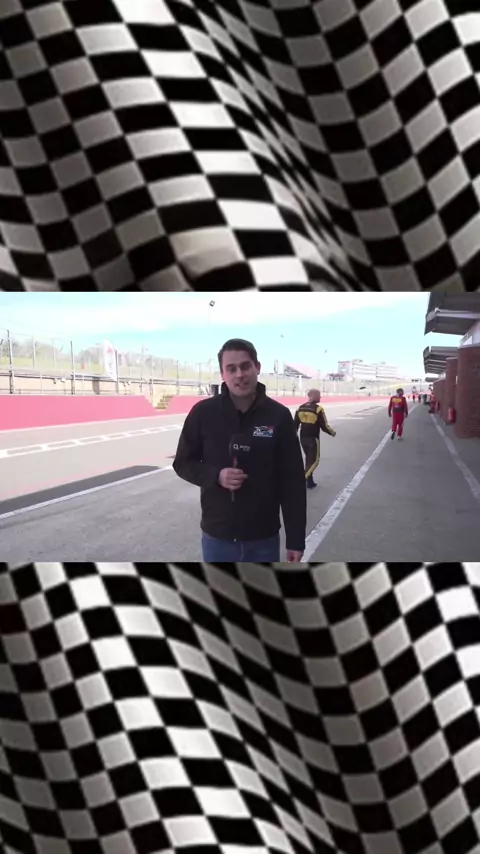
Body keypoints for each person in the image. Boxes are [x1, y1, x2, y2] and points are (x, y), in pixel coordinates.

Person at [173, 338, 306, 563]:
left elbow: (292, 480)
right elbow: (182, 463)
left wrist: (295, 539)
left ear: (257, 368)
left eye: (245, 366)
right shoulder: (203, 413)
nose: (239, 374)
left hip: (263, 538)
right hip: (218, 538)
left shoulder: (279, 416)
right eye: (231, 369)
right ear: (223, 374)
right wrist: (216, 476)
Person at [294, 389, 336, 489]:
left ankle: (310, 482)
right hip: (313, 439)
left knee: (309, 459)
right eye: (319, 395)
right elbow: (324, 426)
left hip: (303, 438)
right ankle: (300, 481)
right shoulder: (318, 409)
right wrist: (332, 432)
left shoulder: (300, 408)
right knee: (314, 461)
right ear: (314, 396)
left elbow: (294, 425)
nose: (320, 397)